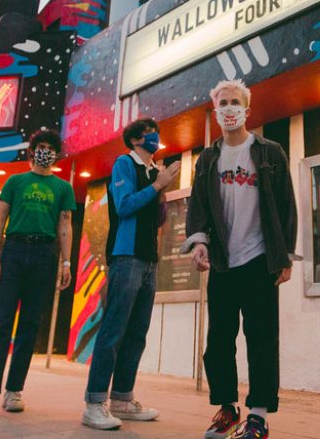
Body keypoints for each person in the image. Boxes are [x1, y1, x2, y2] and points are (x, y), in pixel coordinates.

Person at [184, 79, 297, 439]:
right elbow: (198, 206)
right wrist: (199, 242)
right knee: (219, 339)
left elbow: (286, 206)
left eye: (236, 102)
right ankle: (228, 409)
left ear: (246, 110)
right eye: (223, 103)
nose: (229, 108)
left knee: (261, 337)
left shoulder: (269, 152)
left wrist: (285, 256)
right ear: (215, 112)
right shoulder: (208, 158)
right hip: (222, 262)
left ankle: (259, 416)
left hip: (260, 259)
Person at [0, 128, 75, 419]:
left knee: (30, 326)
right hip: (14, 251)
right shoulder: (15, 181)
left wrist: (66, 263)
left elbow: (65, 226)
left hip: (45, 254)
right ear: (33, 151)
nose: (46, 151)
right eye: (41, 146)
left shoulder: (63, 188)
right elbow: (0, 220)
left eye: (50, 148)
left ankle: (14, 390)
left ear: (56, 154)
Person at [82, 118, 181, 430]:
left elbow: (158, 216)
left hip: (149, 259)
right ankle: (95, 403)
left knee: (137, 332)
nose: (157, 137)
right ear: (137, 139)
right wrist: (157, 185)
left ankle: (122, 399)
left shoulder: (155, 171)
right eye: (152, 133)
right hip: (126, 256)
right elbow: (124, 206)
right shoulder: (124, 164)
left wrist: (161, 187)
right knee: (113, 331)